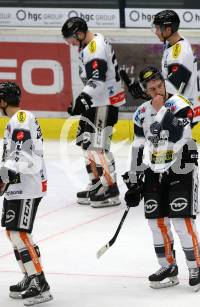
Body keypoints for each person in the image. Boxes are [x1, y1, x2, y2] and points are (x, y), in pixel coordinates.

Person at [123, 66, 200, 291]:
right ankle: (167, 266)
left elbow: (177, 133)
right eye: (151, 89)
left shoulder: (181, 104)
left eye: (159, 86)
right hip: (155, 169)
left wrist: (161, 111)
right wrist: (133, 178)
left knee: (181, 221)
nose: (156, 91)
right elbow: (138, 144)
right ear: (145, 90)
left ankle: (194, 266)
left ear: (164, 83)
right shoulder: (140, 113)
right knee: (155, 223)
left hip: (182, 167)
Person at [0, 82, 53, 306]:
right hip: (18, 185)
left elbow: (22, 152)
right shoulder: (17, 120)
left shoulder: (22, 118)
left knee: (20, 234)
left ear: (3, 101)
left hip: (28, 185)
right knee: (13, 233)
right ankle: (29, 275)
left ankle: (39, 281)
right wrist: (4, 179)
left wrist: (3, 176)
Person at [61, 17, 125, 208]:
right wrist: (83, 100)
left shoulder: (95, 47)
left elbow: (98, 80)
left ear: (80, 34)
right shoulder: (91, 44)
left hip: (104, 102)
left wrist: (82, 99)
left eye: (71, 39)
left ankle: (110, 189)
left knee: (98, 147)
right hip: (96, 102)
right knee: (87, 143)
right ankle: (97, 184)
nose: (70, 43)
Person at [126, 10, 200, 127]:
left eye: (158, 28)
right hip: (176, 106)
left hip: (182, 111)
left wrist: (144, 89)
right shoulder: (171, 44)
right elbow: (166, 78)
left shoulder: (180, 52)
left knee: (164, 142)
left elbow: (174, 86)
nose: (156, 32)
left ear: (168, 30)